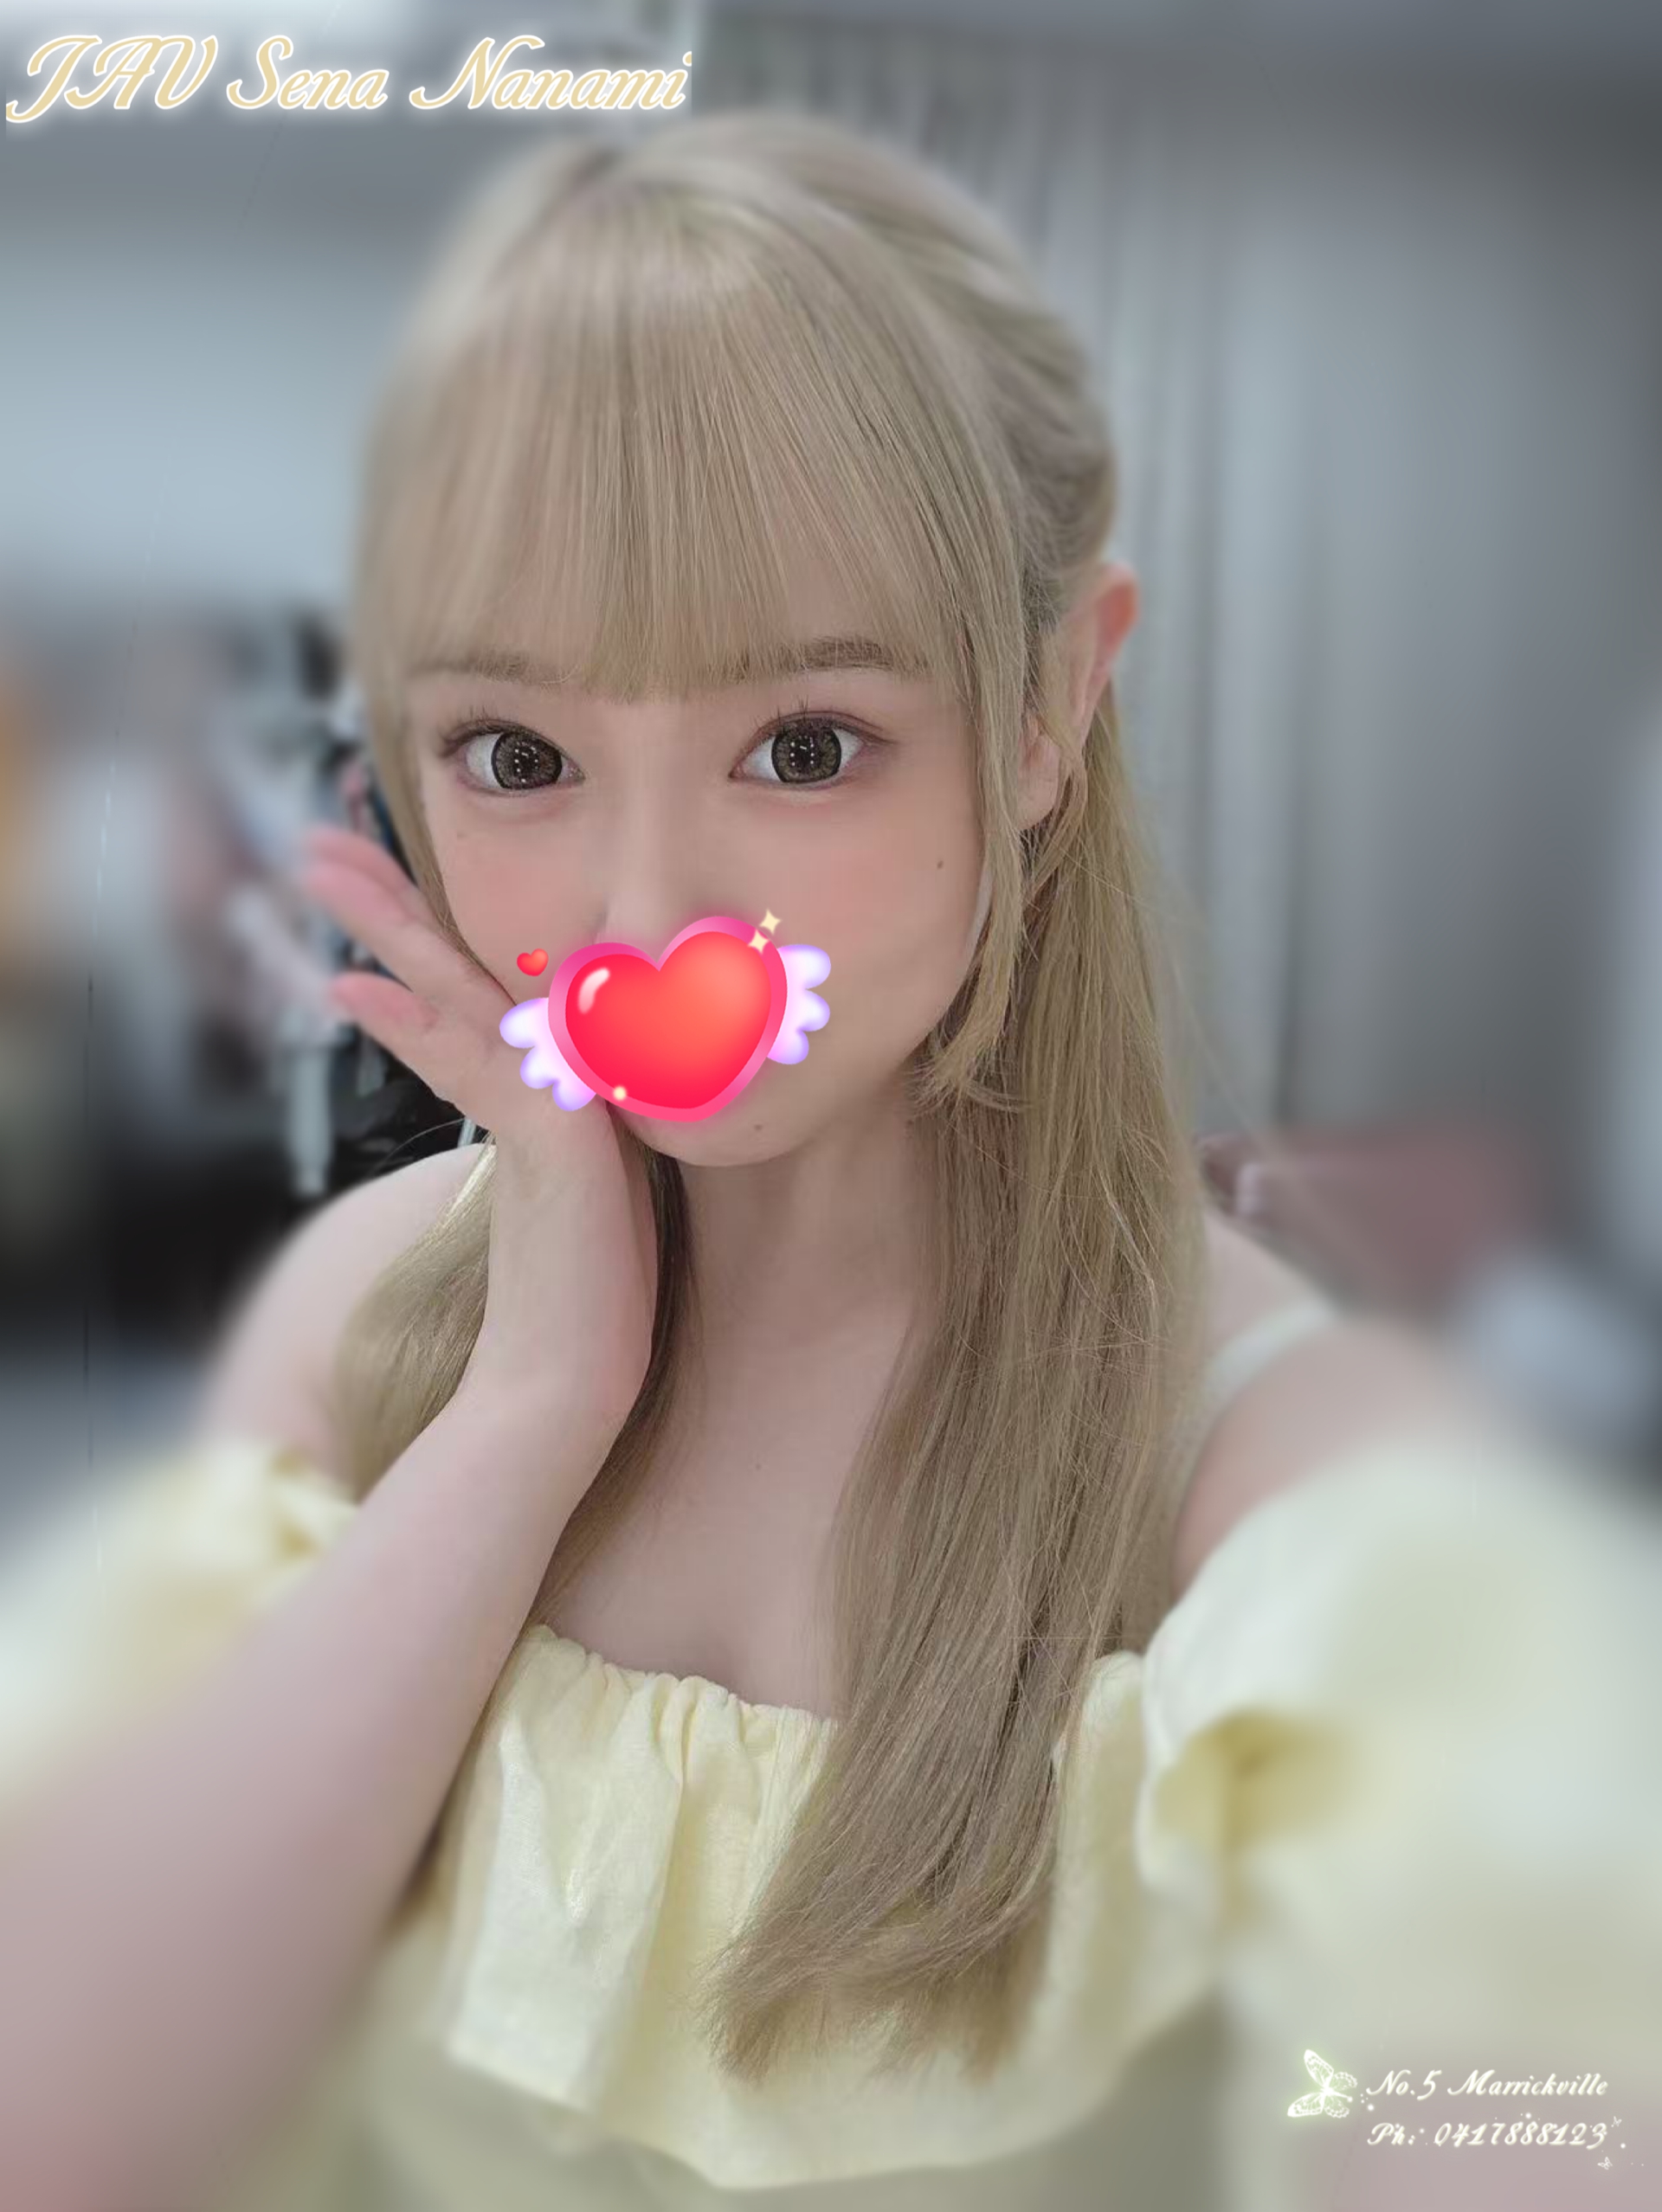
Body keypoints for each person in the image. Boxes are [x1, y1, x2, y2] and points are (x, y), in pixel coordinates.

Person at [1, 112, 1659, 2212]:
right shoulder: (357, 1327)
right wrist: (531, 1401)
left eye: (804, 748)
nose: (642, 911)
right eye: (518, 756)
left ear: (1050, 707)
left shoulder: (1306, 1488)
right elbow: (65, 2124)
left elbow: (1528, 2123)